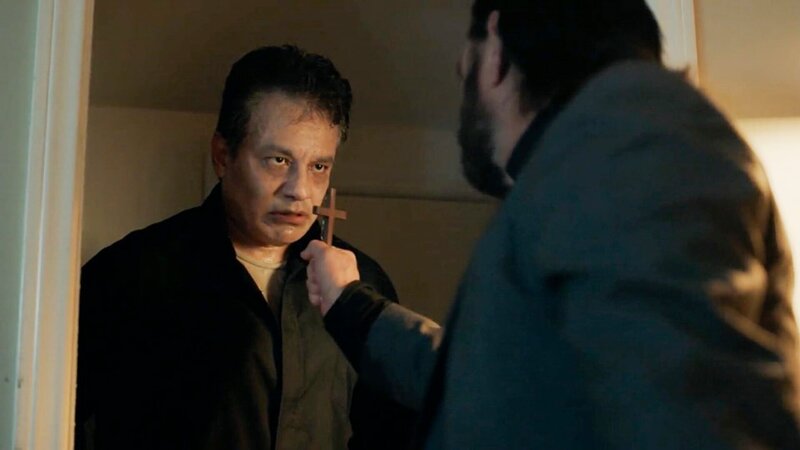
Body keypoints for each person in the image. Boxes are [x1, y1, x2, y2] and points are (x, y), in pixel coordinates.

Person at [301, 1, 800, 448]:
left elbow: (684, 424)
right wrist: (352, 308)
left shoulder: (633, 152)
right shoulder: (597, 163)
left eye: (466, 61)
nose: (461, 74)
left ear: (495, 42)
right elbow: (502, 388)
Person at [75, 45, 414, 450]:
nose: (300, 191)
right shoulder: (131, 274)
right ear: (223, 156)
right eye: (278, 161)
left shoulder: (362, 286)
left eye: (319, 167)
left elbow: (391, 434)